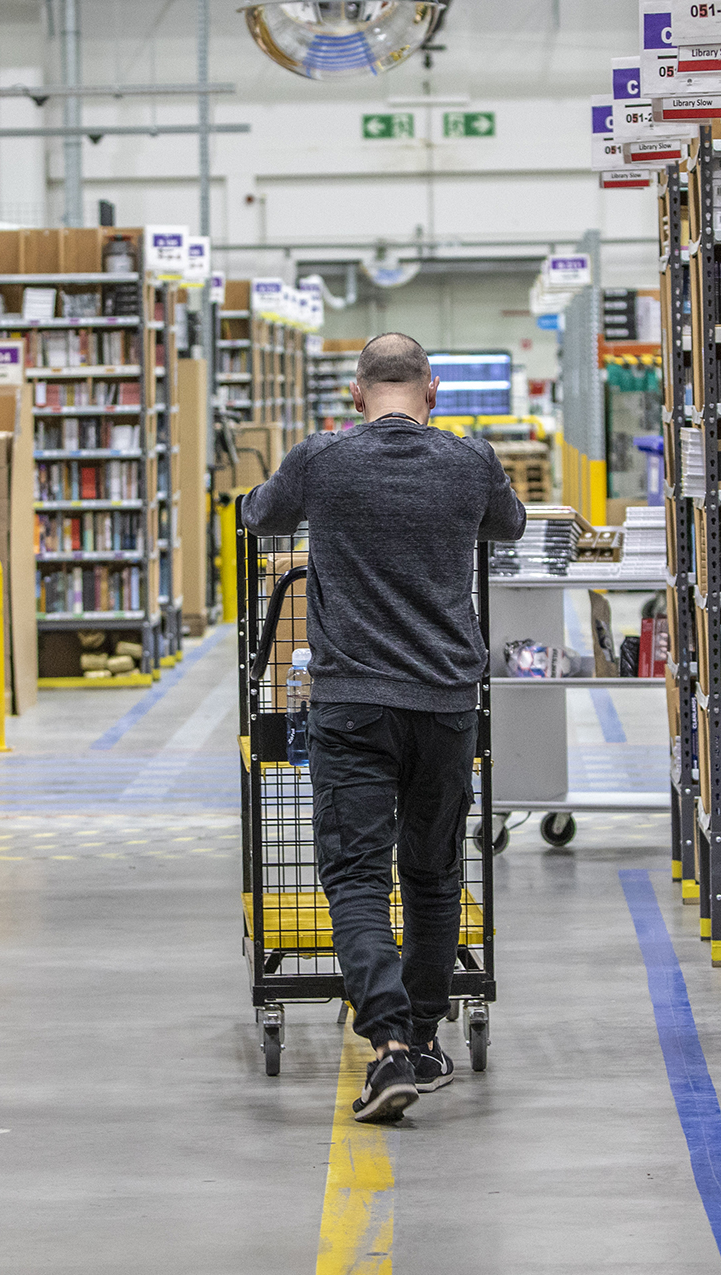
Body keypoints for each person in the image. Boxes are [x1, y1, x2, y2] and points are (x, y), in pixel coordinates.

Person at [241, 332, 527, 1123]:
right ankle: (426, 1037)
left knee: (357, 876)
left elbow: (259, 517)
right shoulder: (469, 462)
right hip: (445, 704)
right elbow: (510, 524)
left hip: (352, 703)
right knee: (434, 875)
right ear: (431, 390)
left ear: (357, 395)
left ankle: (390, 1045)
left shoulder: (322, 460)